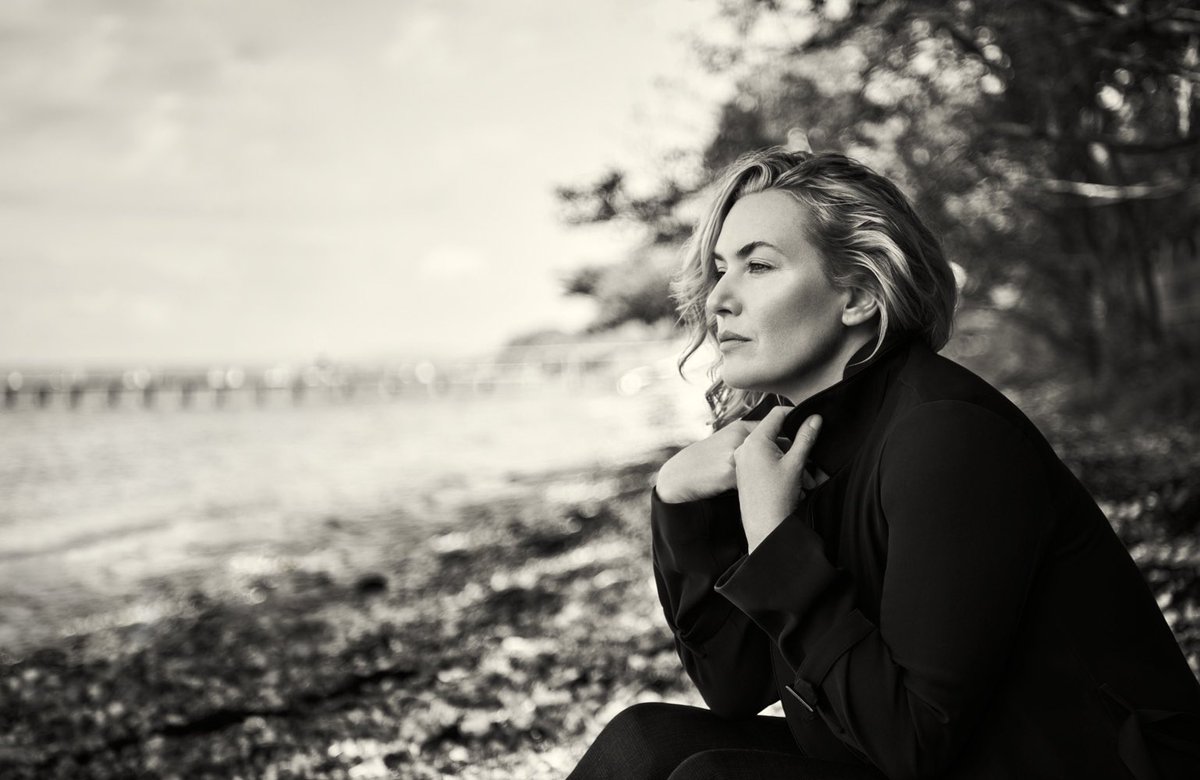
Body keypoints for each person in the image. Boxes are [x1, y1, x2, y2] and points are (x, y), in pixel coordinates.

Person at [568, 149, 1200, 779]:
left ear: (860, 296)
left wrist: (776, 542)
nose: (719, 300)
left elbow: (914, 744)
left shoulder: (948, 437)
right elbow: (735, 685)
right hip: (928, 754)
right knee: (644, 742)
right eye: (719, 269)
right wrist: (675, 498)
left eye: (759, 266)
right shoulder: (787, 444)